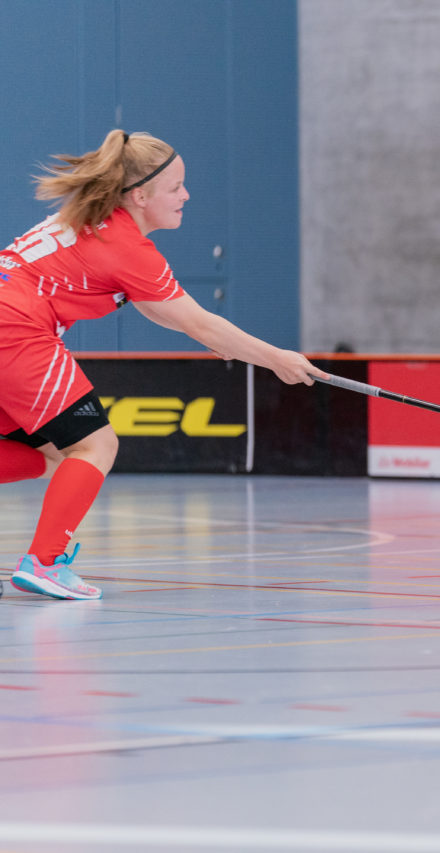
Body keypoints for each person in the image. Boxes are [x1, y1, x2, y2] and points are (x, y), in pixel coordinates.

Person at [0, 129, 325, 600]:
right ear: (140, 195)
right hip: (15, 331)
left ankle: (44, 558)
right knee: (96, 446)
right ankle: (44, 562)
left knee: (54, 454)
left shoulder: (96, 225)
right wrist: (279, 360)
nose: (186, 196)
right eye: (176, 187)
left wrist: (229, 345)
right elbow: (200, 323)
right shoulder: (127, 248)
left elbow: (164, 312)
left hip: (10, 328)